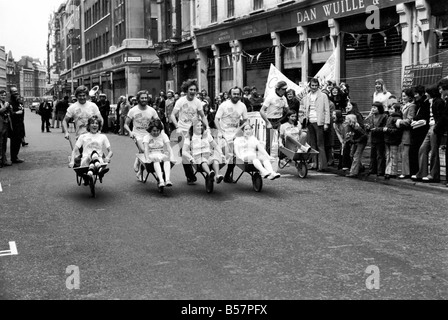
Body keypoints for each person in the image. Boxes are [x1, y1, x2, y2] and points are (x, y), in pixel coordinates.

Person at [170, 79, 209, 185]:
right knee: (183, 153)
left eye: (194, 90)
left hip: (194, 131)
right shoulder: (181, 101)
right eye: (191, 89)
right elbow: (173, 115)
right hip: (182, 131)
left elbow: (202, 116)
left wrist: (207, 127)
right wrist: (177, 126)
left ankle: (202, 168)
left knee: (194, 151)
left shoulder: (198, 102)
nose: (193, 91)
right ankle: (190, 176)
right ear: (186, 90)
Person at [124, 90, 161, 181]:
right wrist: (130, 132)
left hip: (149, 135)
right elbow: (126, 124)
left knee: (147, 154)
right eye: (142, 98)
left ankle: (140, 172)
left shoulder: (152, 110)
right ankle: (138, 160)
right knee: (144, 150)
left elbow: (159, 122)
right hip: (137, 134)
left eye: (145, 98)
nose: (144, 99)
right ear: (138, 99)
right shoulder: (133, 110)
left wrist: (161, 131)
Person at [413, 85, 446, 183]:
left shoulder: (439, 102)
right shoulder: (429, 102)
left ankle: (433, 174)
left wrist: (437, 127)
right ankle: (422, 172)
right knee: (423, 149)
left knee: (434, 151)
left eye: (427, 92)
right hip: (430, 128)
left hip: (435, 127)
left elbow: (441, 116)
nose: (426, 94)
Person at [215, 86, 248, 183]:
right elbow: (216, 119)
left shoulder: (242, 106)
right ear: (230, 95)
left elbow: (245, 120)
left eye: (238, 94)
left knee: (234, 155)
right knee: (225, 156)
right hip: (224, 134)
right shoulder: (224, 105)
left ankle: (226, 176)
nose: (236, 96)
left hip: (235, 134)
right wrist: (220, 131)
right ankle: (215, 172)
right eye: (234, 94)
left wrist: (242, 129)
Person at [69, 116, 112, 183]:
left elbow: (110, 151)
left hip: (99, 160)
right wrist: (72, 161)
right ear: (88, 126)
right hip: (86, 160)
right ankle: (99, 170)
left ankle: (89, 174)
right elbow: (74, 150)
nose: (94, 125)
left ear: (99, 126)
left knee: (95, 154)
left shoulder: (103, 137)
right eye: (92, 123)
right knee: (93, 154)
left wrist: (108, 157)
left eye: (96, 123)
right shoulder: (83, 136)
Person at [183, 119, 224, 184]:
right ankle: (209, 173)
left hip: (208, 155)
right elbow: (184, 151)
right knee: (203, 161)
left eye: (201, 125)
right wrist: (190, 158)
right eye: (198, 126)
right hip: (197, 157)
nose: (200, 127)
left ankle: (217, 175)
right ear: (193, 127)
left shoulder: (207, 135)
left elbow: (215, 145)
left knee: (215, 159)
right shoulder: (190, 137)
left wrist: (221, 153)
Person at [303, 78, 331, 171]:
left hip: (319, 122)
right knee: (312, 144)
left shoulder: (323, 96)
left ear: (318, 86)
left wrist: (326, 123)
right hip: (310, 121)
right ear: (309, 86)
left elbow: (327, 110)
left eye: (316, 85)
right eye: (312, 86)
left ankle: (322, 165)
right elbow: (305, 109)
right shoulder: (307, 96)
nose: (314, 87)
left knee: (320, 144)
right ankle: (314, 163)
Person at [260, 81, 289, 160]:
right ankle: (267, 158)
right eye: (283, 89)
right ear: (278, 89)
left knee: (281, 139)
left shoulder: (284, 98)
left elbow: (287, 109)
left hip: (279, 120)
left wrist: (285, 117)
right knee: (269, 141)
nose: (285, 91)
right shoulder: (270, 97)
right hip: (271, 120)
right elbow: (261, 111)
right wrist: (267, 122)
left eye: (286, 89)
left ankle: (281, 158)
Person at [143, 119, 174, 188]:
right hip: (151, 154)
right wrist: (147, 158)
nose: (156, 132)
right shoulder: (147, 137)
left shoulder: (163, 135)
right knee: (156, 159)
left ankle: (167, 179)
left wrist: (172, 157)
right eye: (154, 131)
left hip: (160, 153)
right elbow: (146, 148)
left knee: (166, 158)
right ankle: (161, 180)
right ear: (150, 130)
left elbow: (169, 147)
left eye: (158, 131)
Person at [409, 85, 430, 176]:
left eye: (417, 94)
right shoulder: (418, 104)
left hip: (421, 130)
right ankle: (414, 171)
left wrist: (416, 119)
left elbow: (423, 116)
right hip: (415, 130)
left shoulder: (425, 103)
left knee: (418, 150)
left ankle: (418, 172)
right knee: (413, 151)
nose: (415, 96)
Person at [396, 88, 416, 179]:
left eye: (405, 96)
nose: (403, 98)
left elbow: (409, 119)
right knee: (403, 151)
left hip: (407, 132)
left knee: (405, 152)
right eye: (402, 96)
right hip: (402, 131)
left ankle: (406, 172)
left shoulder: (411, 106)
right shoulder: (404, 105)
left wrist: (400, 122)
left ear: (409, 97)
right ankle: (404, 171)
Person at [364, 102, 388, 177]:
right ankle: (372, 169)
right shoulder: (371, 116)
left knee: (380, 155)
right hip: (373, 137)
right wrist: (368, 127)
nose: (373, 109)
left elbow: (385, 127)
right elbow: (368, 125)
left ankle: (380, 170)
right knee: (373, 154)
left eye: (375, 108)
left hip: (380, 137)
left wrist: (376, 129)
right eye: (372, 107)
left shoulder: (384, 116)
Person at [383, 103, 403, 180]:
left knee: (392, 156)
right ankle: (388, 171)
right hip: (389, 138)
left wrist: (387, 130)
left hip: (393, 139)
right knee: (389, 155)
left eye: (391, 109)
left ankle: (392, 172)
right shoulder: (390, 117)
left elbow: (398, 130)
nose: (389, 110)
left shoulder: (396, 118)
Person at [8, 87, 26, 163]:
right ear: (11, 93)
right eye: (14, 91)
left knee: (19, 140)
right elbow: (10, 114)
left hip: (20, 124)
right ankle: (13, 157)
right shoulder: (10, 103)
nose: (16, 93)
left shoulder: (19, 102)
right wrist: (16, 113)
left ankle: (16, 156)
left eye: (16, 91)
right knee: (14, 141)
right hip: (14, 125)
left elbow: (22, 111)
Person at [0, 89, 12, 167]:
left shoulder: (5, 103)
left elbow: (9, 112)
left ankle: (4, 160)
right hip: (0, 125)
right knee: (0, 143)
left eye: (4, 95)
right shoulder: (3, 104)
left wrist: (9, 108)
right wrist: (5, 106)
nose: (3, 96)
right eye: (1, 95)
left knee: (4, 143)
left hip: (5, 124)